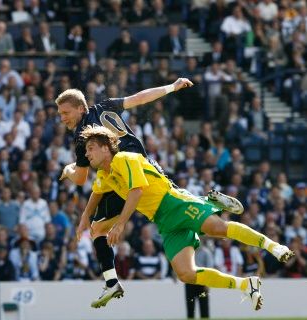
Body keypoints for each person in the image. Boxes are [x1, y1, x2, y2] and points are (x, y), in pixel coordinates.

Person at [56, 79, 244, 307]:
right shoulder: (104, 107)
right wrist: (172, 87)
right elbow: (139, 98)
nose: (63, 117)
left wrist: (67, 170)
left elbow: (81, 178)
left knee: (97, 230)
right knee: (172, 199)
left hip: (122, 174)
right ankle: (212, 202)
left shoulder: (84, 136)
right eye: (60, 113)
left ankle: (111, 282)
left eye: (65, 112)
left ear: (80, 108)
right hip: (147, 164)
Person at [80, 125, 294, 310]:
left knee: (217, 229)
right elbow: (96, 193)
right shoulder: (104, 175)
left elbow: (136, 190)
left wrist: (119, 225)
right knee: (186, 274)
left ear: (106, 147)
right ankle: (246, 285)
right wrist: (85, 218)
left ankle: (275, 247)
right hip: (163, 221)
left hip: (174, 202)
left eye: (90, 148)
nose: (87, 154)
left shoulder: (124, 158)